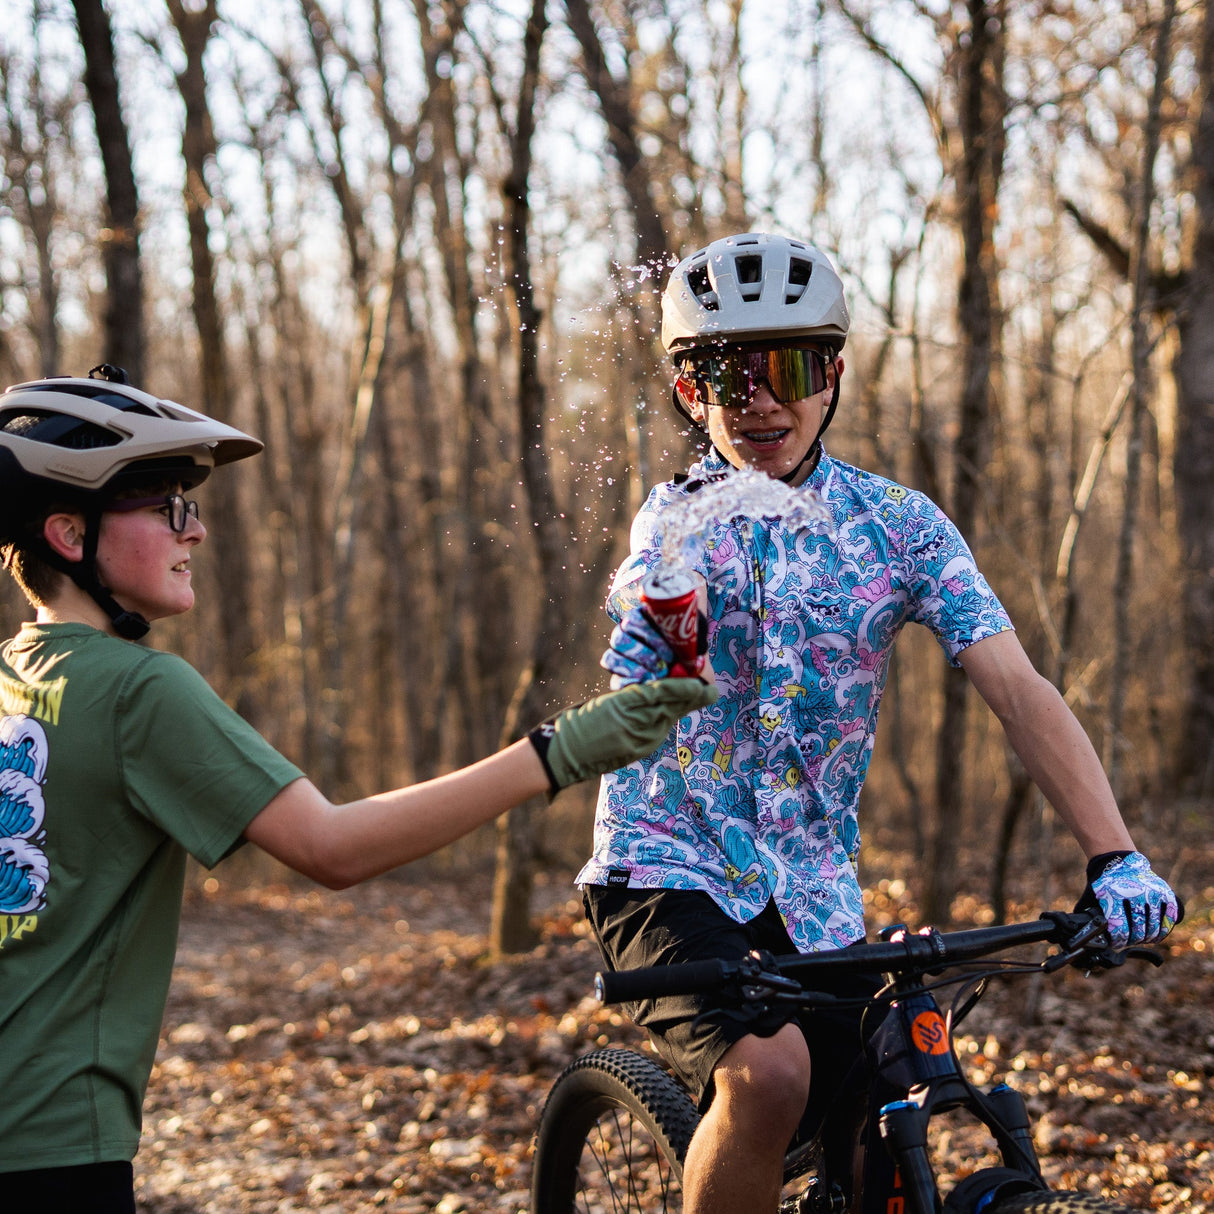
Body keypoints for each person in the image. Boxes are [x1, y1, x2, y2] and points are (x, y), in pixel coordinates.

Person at [0, 365, 717, 1210]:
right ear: (66, 532)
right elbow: (333, 849)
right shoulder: (137, 689)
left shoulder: (17, 677)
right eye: (164, 505)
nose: (193, 532)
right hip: (52, 1147)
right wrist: (561, 750)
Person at [575, 232, 1181, 1214]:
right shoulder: (672, 521)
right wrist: (659, 622)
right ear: (690, 391)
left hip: (810, 892)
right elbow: (649, 626)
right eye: (729, 373)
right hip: (665, 869)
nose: (760, 399)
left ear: (834, 374)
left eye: (790, 368)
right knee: (767, 1076)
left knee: (883, 1114)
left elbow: (1017, 689)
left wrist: (1112, 856)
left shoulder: (898, 526)